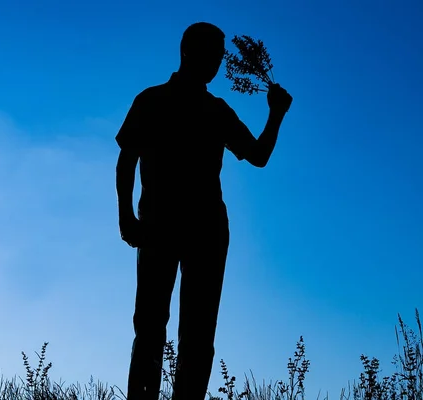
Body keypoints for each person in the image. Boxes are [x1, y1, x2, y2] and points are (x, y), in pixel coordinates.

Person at [115, 22, 293, 400]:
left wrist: (276, 114)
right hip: (165, 225)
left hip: (201, 228)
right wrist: (125, 216)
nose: (216, 63)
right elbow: (126, 158)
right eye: (211, 54)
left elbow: (258, 156)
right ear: (187, 53)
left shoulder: (213, 110)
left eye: (219, 56)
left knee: (195, 332)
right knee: (151, 325)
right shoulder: (153, 100)